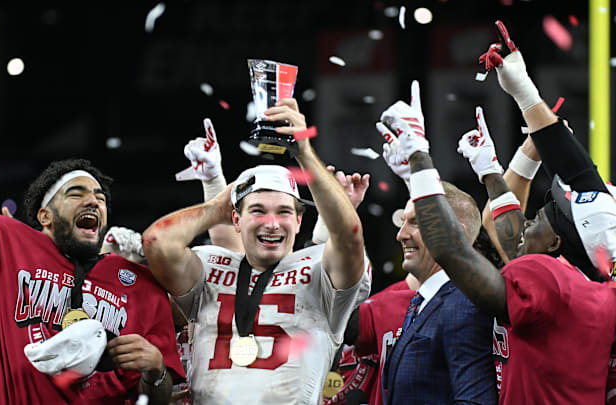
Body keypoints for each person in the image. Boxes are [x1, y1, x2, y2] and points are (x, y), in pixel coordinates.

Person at [0, 51, 184, 405]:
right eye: (77, 193)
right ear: (44, 216)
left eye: (101, 197)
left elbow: (162, 397)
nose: (94, 201)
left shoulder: (143, 287)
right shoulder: (2, 243)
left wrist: (156, 370)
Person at [381, 20, 616, 404]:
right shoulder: (598, 290)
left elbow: (450, 250)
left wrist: (419, 161)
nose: (526, 223)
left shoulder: (551, 282)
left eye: (540, 216)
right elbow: (515, 224)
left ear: (558, 244)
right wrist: (492, 167)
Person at [142, 97, 371, 404]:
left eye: (284, 212)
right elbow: (157, 242)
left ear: (300, 220)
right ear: (235, 218)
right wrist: (216, 205)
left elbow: (349, 236)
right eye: (259, 211)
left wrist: (302, 149)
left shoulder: (320, 270)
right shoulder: (210, 265)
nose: (272, 224)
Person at [374, 81, 497, 405]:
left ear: (451, 229)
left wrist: (419, 155)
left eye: (414, 223)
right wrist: (413, 176)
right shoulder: (431, 298)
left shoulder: (462, 305)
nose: (400, 234)